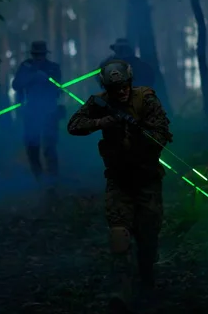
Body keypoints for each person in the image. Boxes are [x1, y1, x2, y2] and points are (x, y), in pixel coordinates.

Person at [67, 60, 173, 312]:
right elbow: (74, 125)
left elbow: (162, 132)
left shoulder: (145, 99)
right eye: (116, 87)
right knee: (119, 235)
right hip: (118, 179)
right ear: (107, 87)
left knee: (148, 237)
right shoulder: (99, 102)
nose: (122, 91)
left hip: (146, 178)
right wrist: (101, 122)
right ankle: (122, 289)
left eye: (125, 85)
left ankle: (147, 281)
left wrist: (141, 134)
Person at [11, 40, 62, 187]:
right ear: (32, 54)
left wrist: (47, 79)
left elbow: (59, 88)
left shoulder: (53, 68)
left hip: (50, 112)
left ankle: (53, 180)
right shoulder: (26, 67)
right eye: (36, 54)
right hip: (31, 112)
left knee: (50, 146)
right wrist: (32, 77)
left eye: (41, 54)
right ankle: (39, 179)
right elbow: (16, 85)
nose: (38, 57)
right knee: (32, 147)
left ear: (45, 54)